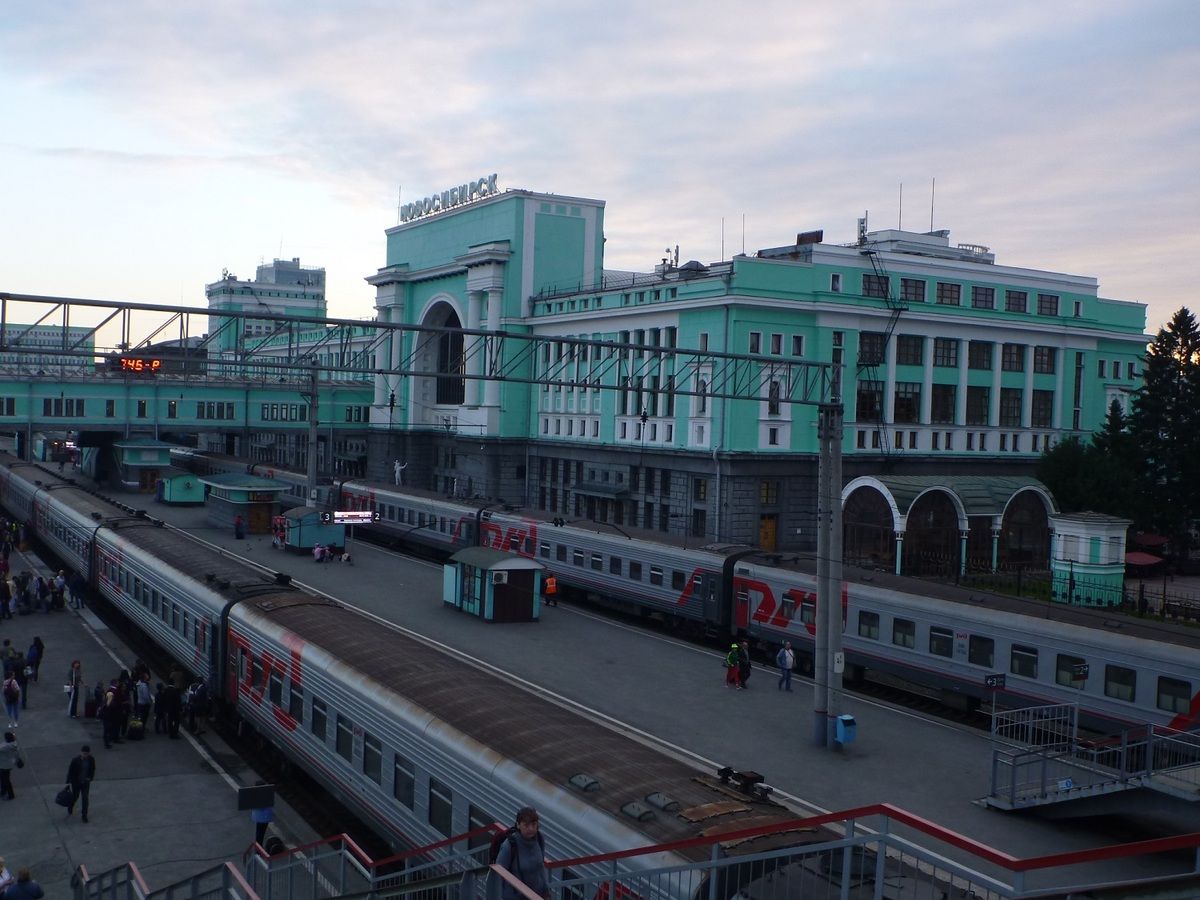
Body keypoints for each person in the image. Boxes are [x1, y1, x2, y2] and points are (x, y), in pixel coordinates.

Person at [494, 806, 550, 900]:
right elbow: (499, 874)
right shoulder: (510, 845)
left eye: (534, 824)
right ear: (518, 825)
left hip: (536, 896)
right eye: (526, 825)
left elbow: (541, 868)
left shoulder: (539, 839)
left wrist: (546, 892)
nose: (531, 829)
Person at [66, 744, 95, 823]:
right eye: (84, 753)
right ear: (81, 752)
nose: (85, 755)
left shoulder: (91, 759)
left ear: (89, 753)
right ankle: (70, 806)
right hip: (76, 782)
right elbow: (70, 771)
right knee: (75, 796)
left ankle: (84, 816)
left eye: (86, 754)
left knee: (85, 798)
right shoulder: (75, 760)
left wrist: (90, 778)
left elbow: (92, 769)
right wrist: (68, 782)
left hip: (85, 782)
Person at [0, 731, 22, 799]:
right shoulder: (12, 743)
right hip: (5, 764)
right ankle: (3, 791)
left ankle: (11, 795)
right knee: (3, 779)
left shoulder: (8, 746)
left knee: (6, 780)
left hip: (4, 765)